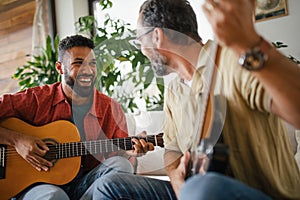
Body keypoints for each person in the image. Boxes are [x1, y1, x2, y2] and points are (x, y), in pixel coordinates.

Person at [93, 0, 300, 199]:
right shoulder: (173, 90)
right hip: (192, 190)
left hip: (253, 193)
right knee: (108, 185)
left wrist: (249, 43)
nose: (142, 50)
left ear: (157, 36)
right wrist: (177, 181)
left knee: (203, 188)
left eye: (140, 40)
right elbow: (172, 148)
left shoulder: (233, 61)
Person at [0, 34, 154, 200]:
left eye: (92, 64)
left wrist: (131, 153)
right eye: (78, 63)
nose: (88, 71)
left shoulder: (111, 108)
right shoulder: (36, 99)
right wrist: (17, 140)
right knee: (55, 196)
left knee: (121, 165)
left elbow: (118, 159)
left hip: (85, 186)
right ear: (60, 68)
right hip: (38, 186)